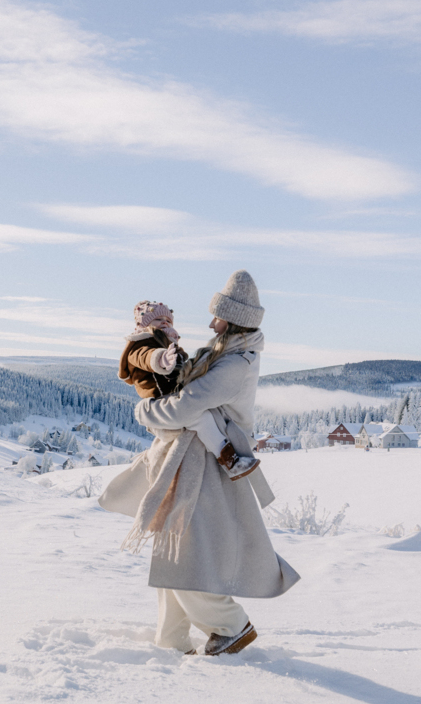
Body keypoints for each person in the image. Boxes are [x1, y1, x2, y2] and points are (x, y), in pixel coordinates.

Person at [100, 270, 300, 656]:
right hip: (192, 461)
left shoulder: (235, 364)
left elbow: (184, 406)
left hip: (207, 467)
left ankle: (231, 626)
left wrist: (144, 412)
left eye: (218, 316)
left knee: (186, 555)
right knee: (174, 551)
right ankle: (172, 640)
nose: (210, 322)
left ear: (235, 318)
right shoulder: (222, 351)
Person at [119, 300, 259, 479]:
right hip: (160, 399)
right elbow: (145, 357)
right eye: (158, 319)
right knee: (202, 419)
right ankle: (229, 461)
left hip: (172, 397)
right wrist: (162, 359)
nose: (164, 322)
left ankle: (226, 457)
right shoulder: (140, 344)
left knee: (202, 419)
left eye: (168, 320)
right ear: (143, 324)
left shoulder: (166, 342)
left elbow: (183, 362)